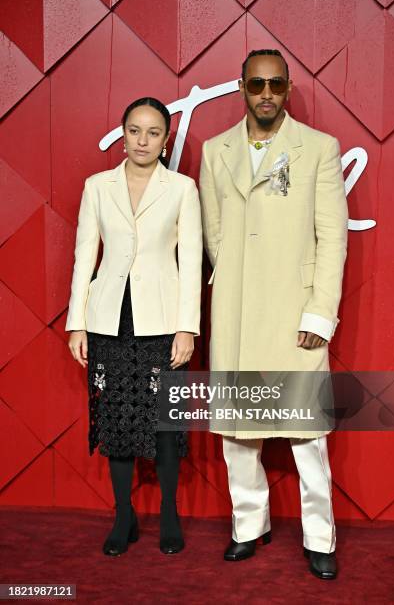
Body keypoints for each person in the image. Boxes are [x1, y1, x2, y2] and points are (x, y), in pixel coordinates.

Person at [199, 49, 348, 579]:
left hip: (295, 313)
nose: (266, 93)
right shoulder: (215, 150)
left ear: (288, 88)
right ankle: (248, 525)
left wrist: (318, 313)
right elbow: (214, 232)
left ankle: (319, 535)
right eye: (257, 83)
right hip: (237, 311)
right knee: (240, 434)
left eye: (276, 85)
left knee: (307, 436)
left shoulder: (318, 148)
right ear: (242, 86)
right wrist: (239, 280)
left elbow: (332, 238)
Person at [66, 97, 202, 556]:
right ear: (123, 134)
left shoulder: (182, 188)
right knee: (117, 417)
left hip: (162, 320)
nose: (142, 140)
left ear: (166, 140)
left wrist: (188, 328)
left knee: (164, 420)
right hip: (109, 320)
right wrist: (76, 323)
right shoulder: (97, 186)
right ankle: (123, 514)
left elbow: (190, 261)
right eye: (134, 131)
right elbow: (85, 256)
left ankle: (168, 512)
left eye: (153, 132)